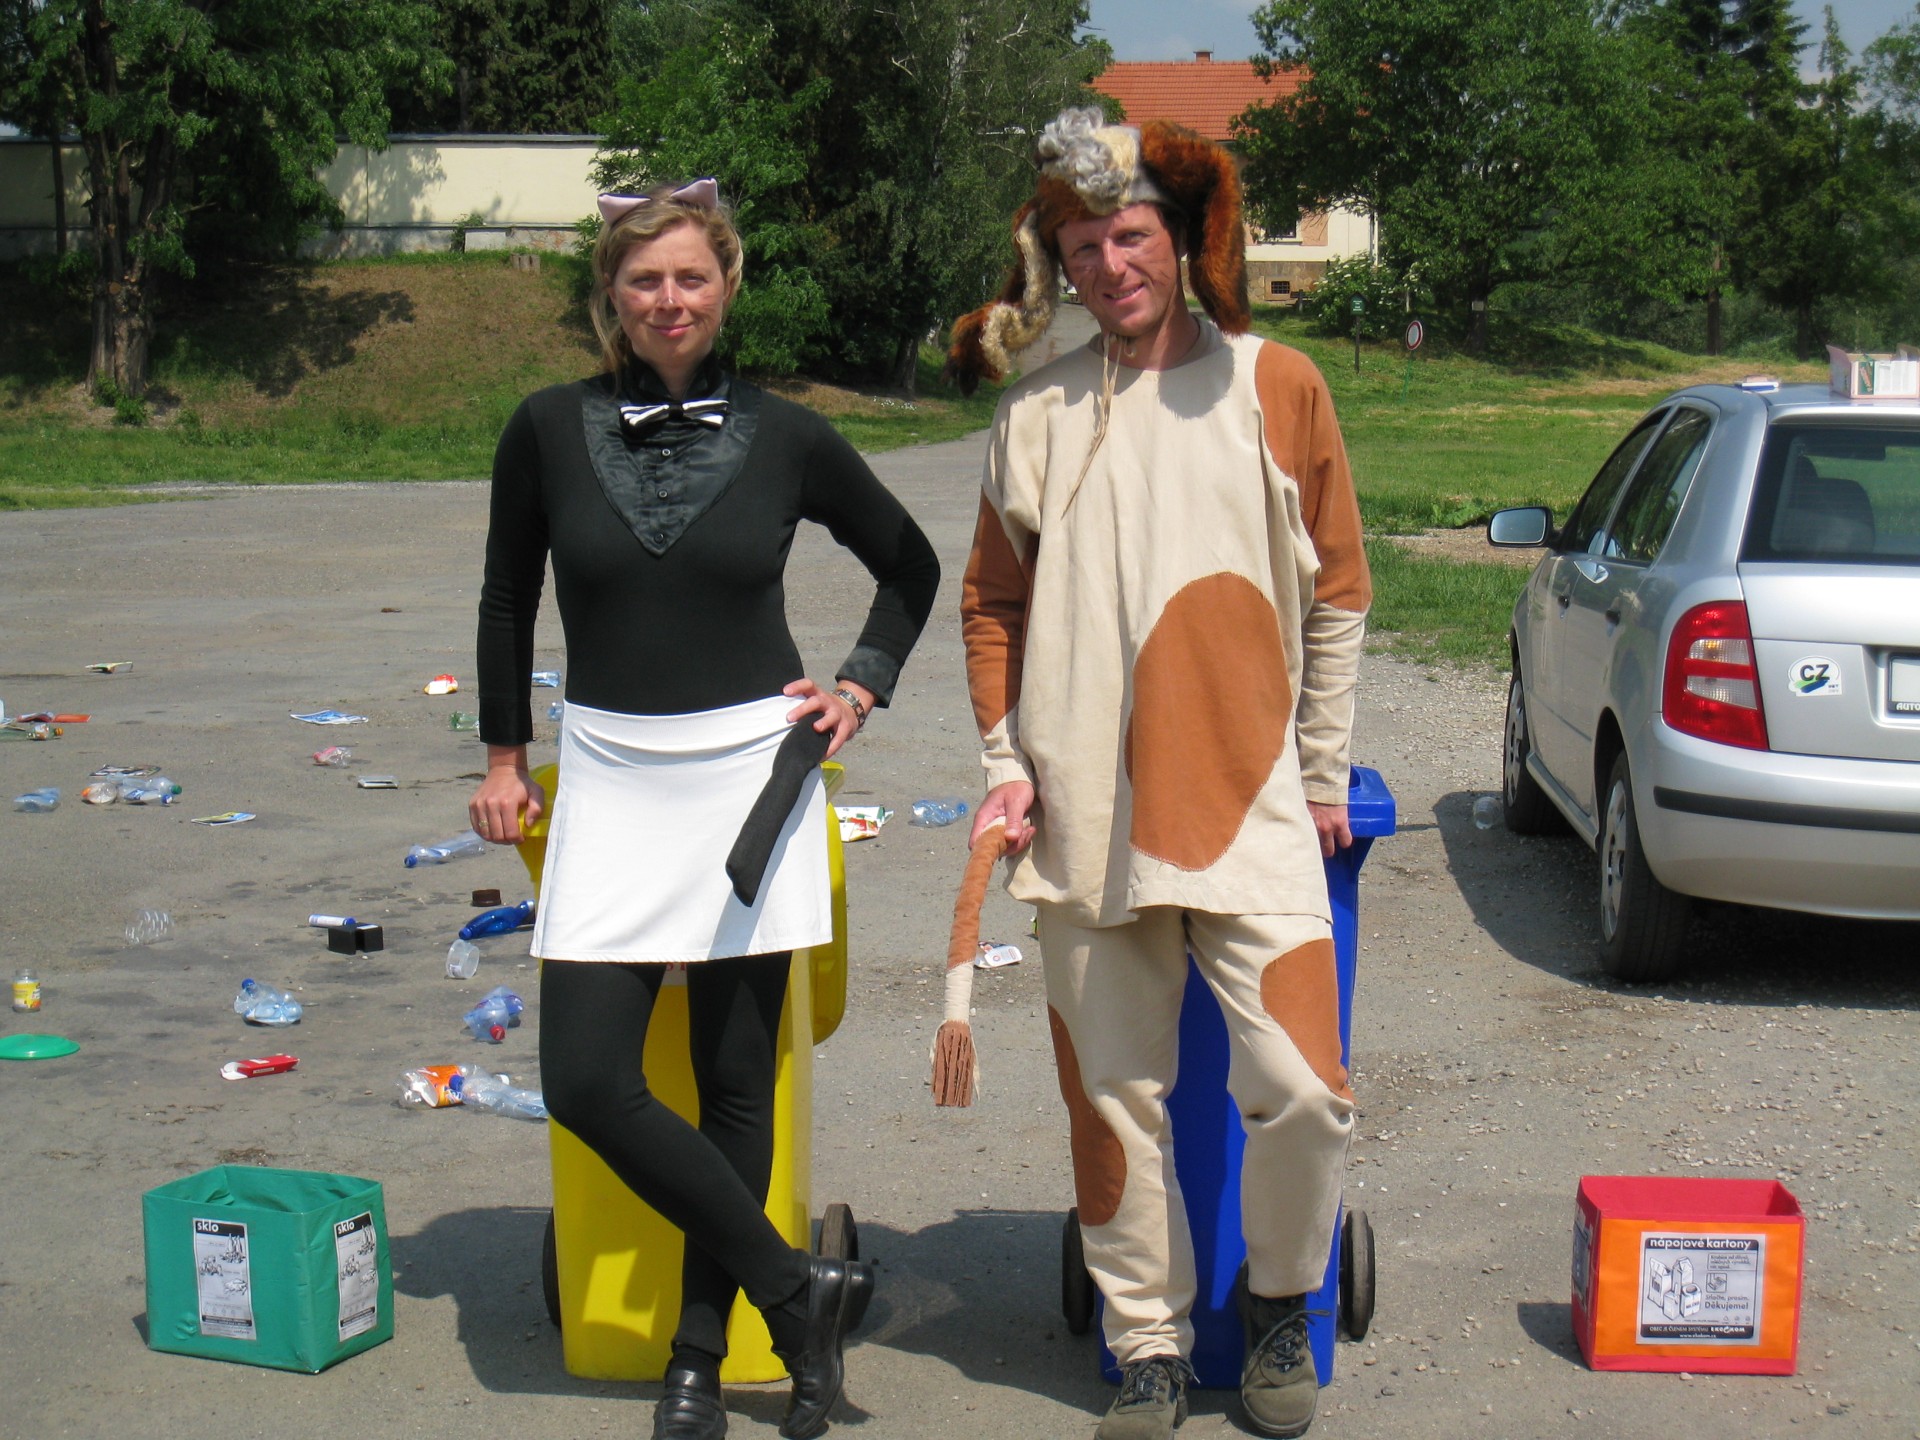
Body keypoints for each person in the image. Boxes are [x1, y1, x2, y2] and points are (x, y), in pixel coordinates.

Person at [470, 178, 939, 1440]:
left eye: (691, 276)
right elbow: (510, 593)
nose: (668, 299)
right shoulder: (545, 427)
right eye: (644, 280)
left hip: (749, 775)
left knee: (736, 1085)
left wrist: (860, 686)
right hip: (610, 777)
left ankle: (696, 1357)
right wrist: (507, 756)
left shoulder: (790, 435)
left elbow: (909, 565)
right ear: (610, 297)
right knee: (586, 1080)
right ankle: (796, 1294)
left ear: (727, 285)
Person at [949, 110, 1371, 1440]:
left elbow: (1339, 592)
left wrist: (1323, 771)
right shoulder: (1034, 416)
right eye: (1083, 248)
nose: (1111, 266)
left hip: (1253, 809)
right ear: (1058, 266)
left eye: (1130, 236)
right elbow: (991, 606)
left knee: (1305, 1091)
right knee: (1111, 1102)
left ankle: (1279, 1307)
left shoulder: (1277, 383)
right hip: (1085, 818)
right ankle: (1146, 1345)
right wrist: (1005, 761)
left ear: (1180, 239)